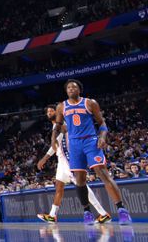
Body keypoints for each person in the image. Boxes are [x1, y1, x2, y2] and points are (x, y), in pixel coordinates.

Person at [53, 79, 132, 225]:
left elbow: (102, 123)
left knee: (102, 173)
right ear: (66, 91)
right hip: (75, 144)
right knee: (80, 179)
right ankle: (87, 212)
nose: (71, 89)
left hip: (90, 141)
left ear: (79, 90)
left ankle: (122, 211)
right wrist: (53, 139)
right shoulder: (61, 106)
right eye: (68, 87)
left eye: (74, 87)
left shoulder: (90, 103)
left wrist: (102, 136)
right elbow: (57, 126)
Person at [37, 104, 109, 223]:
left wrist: (45, 158)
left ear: (57, 112)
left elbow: (57, 140)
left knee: (81, 185)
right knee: (59, 187)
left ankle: (103, 213)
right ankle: (52, 215)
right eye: (48, 112)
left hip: (68, 158)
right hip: (61, 159)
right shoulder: (55, 125)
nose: (49, 113)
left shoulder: (62, 123)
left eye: (51, 111)